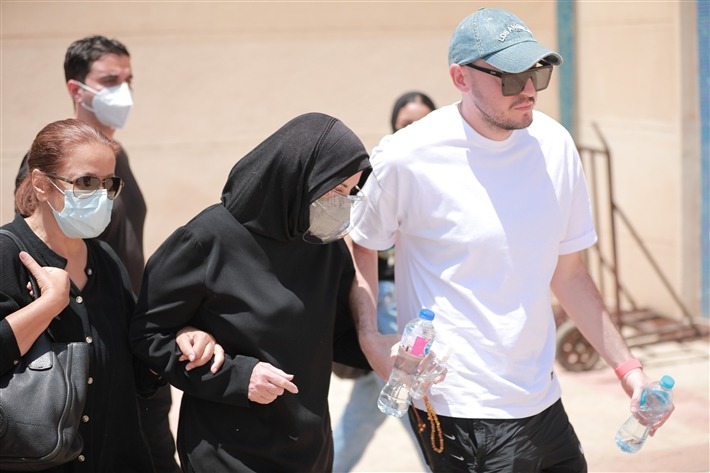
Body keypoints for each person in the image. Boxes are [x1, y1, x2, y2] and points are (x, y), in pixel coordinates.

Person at [348, 8, 673, 472]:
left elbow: (569, 274)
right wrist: (371, 338)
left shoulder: (555, 145)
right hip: (460, 409)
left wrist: (629, 370)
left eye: (537, 74)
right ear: (460, 78)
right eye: (512, 77)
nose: (529, 90)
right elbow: (361, 242)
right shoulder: (406, 156)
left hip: (543, 400)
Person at [129, 112, 373, 472]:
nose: (344, 202)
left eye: (351, 192)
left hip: (309, 453)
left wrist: (393, 351)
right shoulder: (206, 240)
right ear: (302, 176)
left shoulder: (324, 248)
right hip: (227, 453)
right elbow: (149, 334)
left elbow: (334, 337)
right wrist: (237, 377)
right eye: (338, 190)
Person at [13, 35, 179, 473]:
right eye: (109, 80)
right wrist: (52, 305)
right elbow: (36, 242)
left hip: (124, 350)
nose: (123, 90)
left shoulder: (114, 162)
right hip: (74, 366)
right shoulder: (52, 163)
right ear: (77, 88)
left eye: (128, 79)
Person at [1, 118, 156, 472]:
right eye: (86, 182)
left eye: (109, 183)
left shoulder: (105, 260)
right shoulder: (7, 254)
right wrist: (48, 306)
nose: (100, 194)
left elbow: (135, 370)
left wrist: (181, 337)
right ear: (41, 184)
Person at [331, 91, 436, 473]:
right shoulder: (381, 173)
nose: (415, 129)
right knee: (409, 398)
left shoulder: (448, 174)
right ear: (394, 127)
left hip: (425, 303)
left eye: (424, 121)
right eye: (407, 123)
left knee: (366, 410)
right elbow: (354, 236)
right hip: (388, 302)